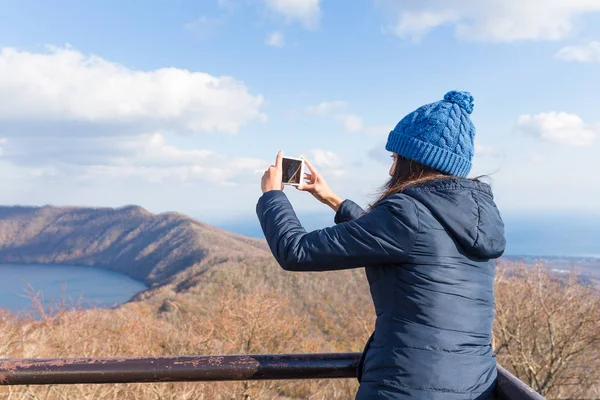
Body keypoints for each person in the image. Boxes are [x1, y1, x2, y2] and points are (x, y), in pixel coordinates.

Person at [256, 91, 506, 399]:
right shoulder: (472, 215)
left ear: (412, 162)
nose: (390, 170)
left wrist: (272, 196)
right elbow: (406, 239)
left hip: (406, 387)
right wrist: (331, 199)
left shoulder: (408, 214)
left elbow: (295, 250)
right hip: (475, 385)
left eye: (395, 159)